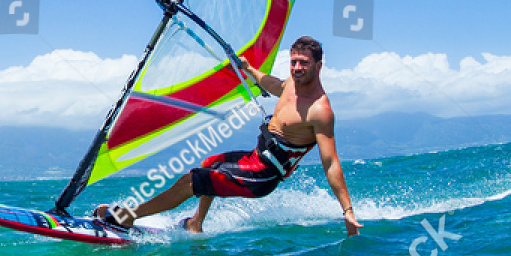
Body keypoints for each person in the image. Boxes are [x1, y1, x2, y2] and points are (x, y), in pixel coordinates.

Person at [95, 36, 361, 236]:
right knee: (209, 163)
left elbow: (330, 162)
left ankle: (127, 217)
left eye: (304, 63)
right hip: (254, 158)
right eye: (293, 62)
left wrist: (347, 211)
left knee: (192, 181)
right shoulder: (292, 84)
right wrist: (248, 69)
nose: (297, 67)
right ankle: (195, 224)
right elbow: (272, 84)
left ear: (319, 65)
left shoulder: (319, 110)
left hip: (263, 175)